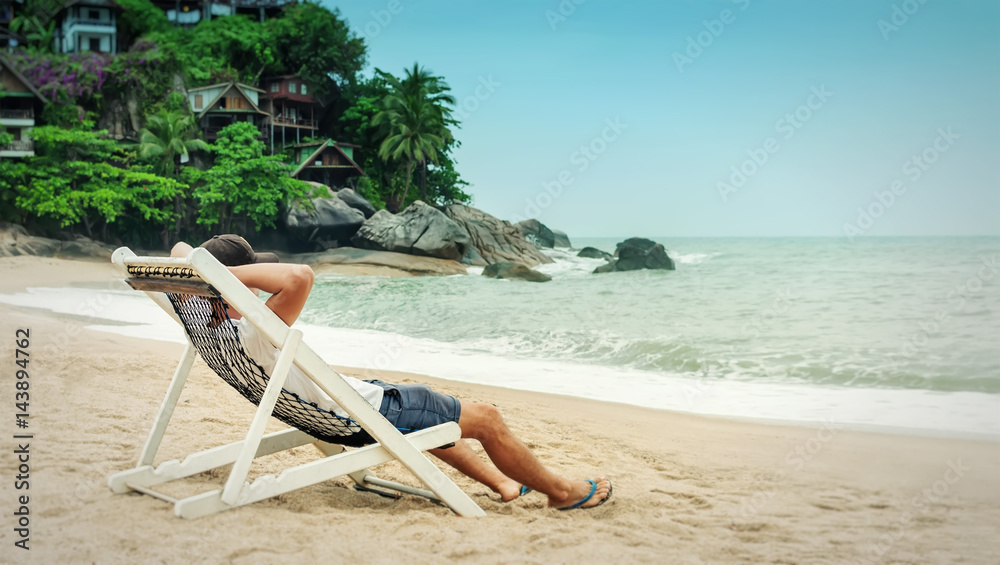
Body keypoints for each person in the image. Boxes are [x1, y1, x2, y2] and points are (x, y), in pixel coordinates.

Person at [171, 235, 612, 510]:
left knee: (434, 422)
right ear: (232, 286)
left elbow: (179, 252)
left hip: (342, 404)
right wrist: (226, 279)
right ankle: (562, 492)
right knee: (487, 418)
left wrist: (208, 277)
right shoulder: (252, 329)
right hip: (361, 413)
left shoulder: (204, 324)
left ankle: (504, 483)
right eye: (246, 282)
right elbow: (299, 276)